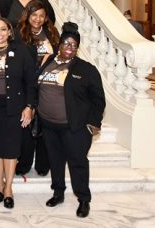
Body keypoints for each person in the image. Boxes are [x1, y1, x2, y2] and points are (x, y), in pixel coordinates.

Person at [38, 22, 105, 218]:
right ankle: (58, 193)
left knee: (77, 163)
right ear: (59, 44)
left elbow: (98, 99)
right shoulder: (48, 61)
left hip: (74, 127)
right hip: (49, 125)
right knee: (56, 161)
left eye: (74, 45)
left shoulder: (86, 69)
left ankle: (84, 199)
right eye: (66, 43)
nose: (70, 48)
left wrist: (94, 123)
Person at [0, 18, 36, 209]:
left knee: (11, 149)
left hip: (15, 105)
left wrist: (29, 106)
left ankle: (9, 189)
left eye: (3, 29)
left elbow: (31, 82)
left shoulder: (21, 51)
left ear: (9, 32)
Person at [15, 0, 59, 177]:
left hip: (48, 86)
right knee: (26, 125)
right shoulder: (19, 34)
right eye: (34, 15)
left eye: (41, 15)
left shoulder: (52, 33)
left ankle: (43, 163)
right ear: (28, 15)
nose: (37, 19)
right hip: (26, 85)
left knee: (46, 126)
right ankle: (24, 162)